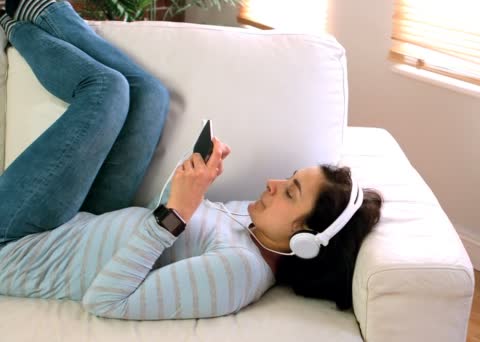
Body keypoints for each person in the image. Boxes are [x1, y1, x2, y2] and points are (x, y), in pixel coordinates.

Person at [0, 0, 383, 320]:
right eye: (289, 178)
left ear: (304, 241)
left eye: (290, 193)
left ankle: (13, 21)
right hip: (88, 221)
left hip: (21, 243)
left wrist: (177, 214)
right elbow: (149, 233)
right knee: (150, 96)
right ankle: (33, 12)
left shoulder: (238, 273)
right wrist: (190, 180)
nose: (273, 184)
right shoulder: (251, 223)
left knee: (107, 91)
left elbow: (105, 300)